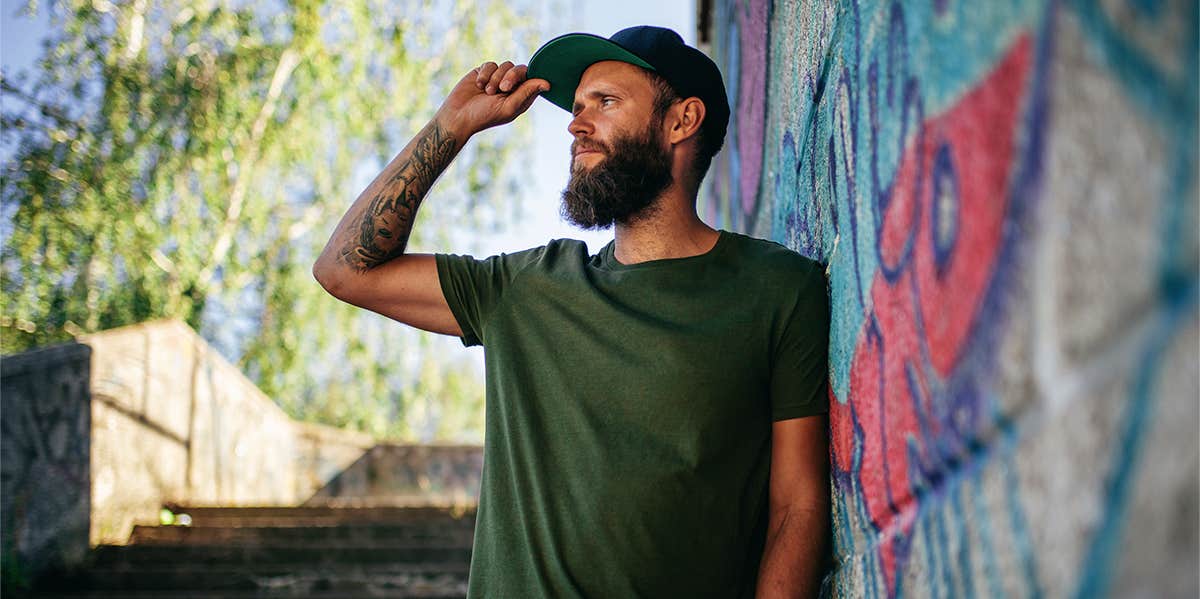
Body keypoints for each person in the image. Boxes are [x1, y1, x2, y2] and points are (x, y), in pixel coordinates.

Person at [313, 25, 830, 599]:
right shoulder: (525, 289)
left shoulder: (778, 289)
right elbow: (344, 269)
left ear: (682, 121)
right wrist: (451, 128)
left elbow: (797, 508)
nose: (576, 124)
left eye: (605, 102)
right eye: (577, 107)